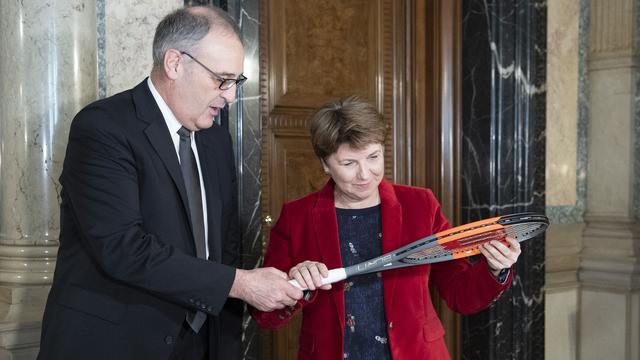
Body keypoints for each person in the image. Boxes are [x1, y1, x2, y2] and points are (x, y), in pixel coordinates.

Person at [38, 5, 303, 360]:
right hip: (115, 344)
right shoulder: (103, 128)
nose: (230, 96)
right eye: (221, 80)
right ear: (175, 63)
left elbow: (221, 249)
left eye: (236, 82)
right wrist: (242, 284)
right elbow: (123, 247)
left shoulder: (216, 140)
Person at [250, 96, 521, 360]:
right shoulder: (297, 216)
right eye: (348, 163)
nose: (365, 174)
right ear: (325, 164)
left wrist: (495, 269)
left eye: (373, 157)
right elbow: (266, 317)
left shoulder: (420, 205)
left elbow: (459, 292)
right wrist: (298, 284)